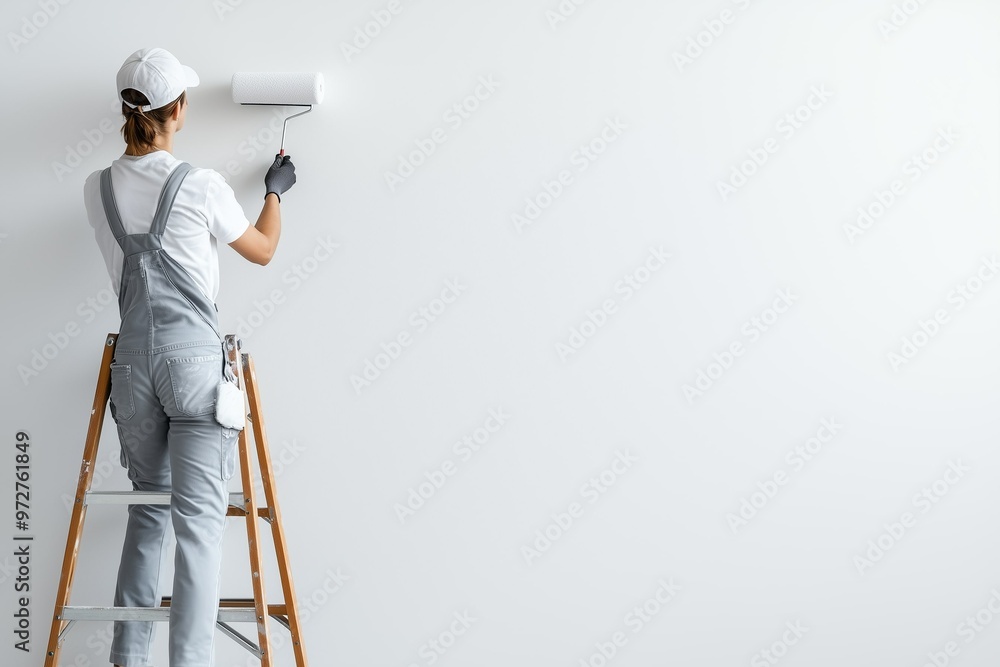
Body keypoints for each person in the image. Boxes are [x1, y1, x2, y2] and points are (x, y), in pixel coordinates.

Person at [82, 47, 297, 667]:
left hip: (133, 367)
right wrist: (274, 192)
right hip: (195, 368)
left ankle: (129, 658)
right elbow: (260, 250)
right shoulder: (199, 183)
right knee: (198, 523)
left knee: (150, 510)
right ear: (177, 109)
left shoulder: (96, 189)